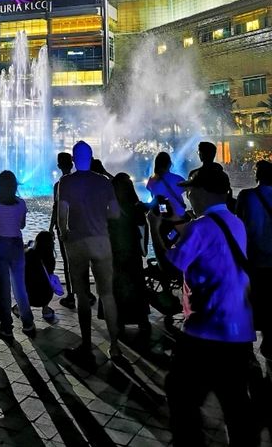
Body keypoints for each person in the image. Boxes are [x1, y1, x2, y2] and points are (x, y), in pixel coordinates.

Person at [150, 165, 256, 447]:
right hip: (239, 329)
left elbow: (170, 266)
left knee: (180, 394)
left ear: (204, 192)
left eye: (191, 190)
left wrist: (155, 229)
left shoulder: (201, 227)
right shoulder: (234, 222)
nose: (188, 196)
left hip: (205, 330)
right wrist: (181, 226)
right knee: (235, 403)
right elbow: (209, 245)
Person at [58, 141, 122, 368]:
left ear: (74, 159)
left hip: (78, 242)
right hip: (101, 241)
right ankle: (115, 346)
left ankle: (86, 345)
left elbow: (62, 213)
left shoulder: (66, 182)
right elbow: (114, 213)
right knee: (107, 294)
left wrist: (65, 234)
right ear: (92, 156)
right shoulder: (103, 182)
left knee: (82, 296)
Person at [0, 170, 36, 341]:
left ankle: (6, 328)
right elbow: (22, 225)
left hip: (0, 245)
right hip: (17, 245)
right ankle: (28, 323)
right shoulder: (21, 204)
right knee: (20, 286)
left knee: (4, 289)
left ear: (0, 185)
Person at [236, 158, 272, 361]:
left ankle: (248, 346)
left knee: (250, 303)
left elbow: (237, 223)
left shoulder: (246, 195)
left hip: (253, 260)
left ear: (257, 175)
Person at [106, 173, 150, 336]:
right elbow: (142, 226)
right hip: (133, 252)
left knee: (118, 285)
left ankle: (119, 321)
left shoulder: (110, 207)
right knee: (137, 284)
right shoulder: (136, 206)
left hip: (115, 252)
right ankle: (142, 320)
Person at [49, 152, 77, 309]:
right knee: (80, 260)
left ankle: (71, 295)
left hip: (64, 227)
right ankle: (86, 293)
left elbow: (56, 207)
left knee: (67, 262)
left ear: (59, 166)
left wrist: (51, 227)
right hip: (79, 225)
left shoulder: (59, 185)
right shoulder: (79, 182)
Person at [23, 231, 58, 322]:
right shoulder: (50, 259)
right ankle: (45, 309)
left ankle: (22, 307)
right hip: (46, 296)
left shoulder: (28, 255)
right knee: (46, 281)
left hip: (29, 296)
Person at [146, 151, 186, 218]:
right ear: (169, 164)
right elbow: (185, 192)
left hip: (163, 213)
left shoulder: (151, 181)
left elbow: (154, 197)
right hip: (179, 213)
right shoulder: (178, 179)